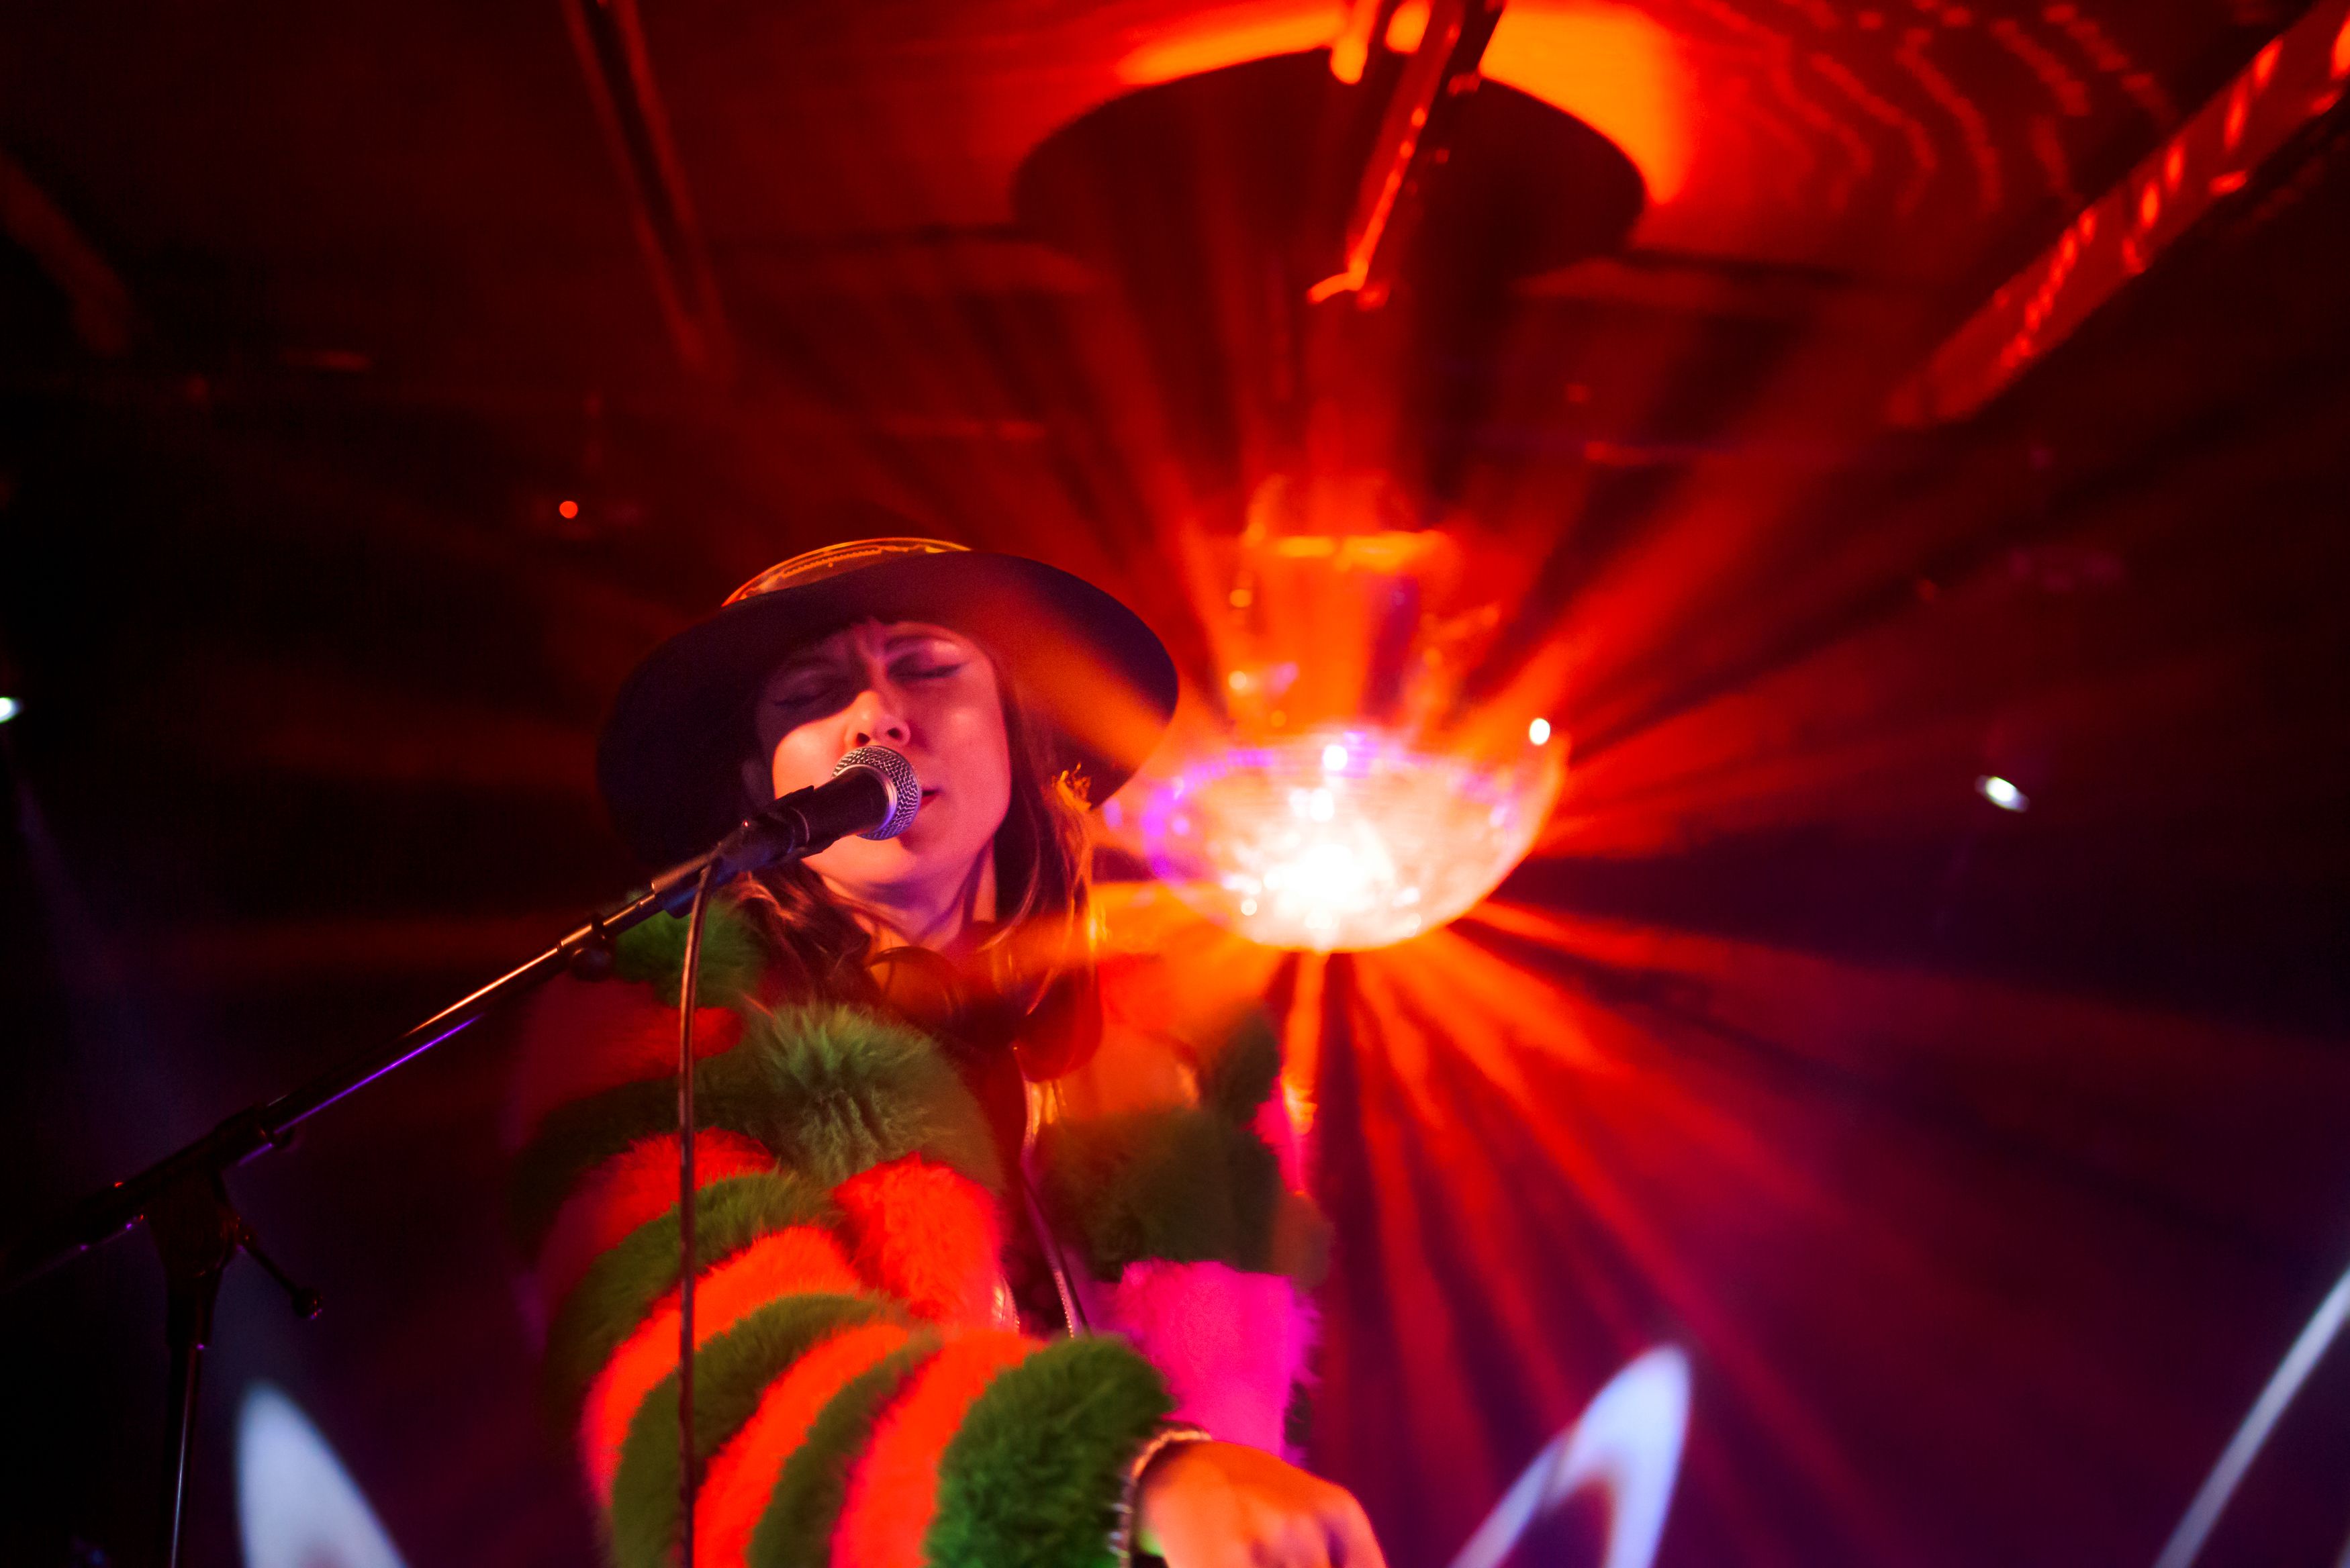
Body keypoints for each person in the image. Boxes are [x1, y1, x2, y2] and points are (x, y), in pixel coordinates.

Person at [506, 534, 1386, 1567]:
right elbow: (731, 1391)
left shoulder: (1196, 1042)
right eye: (811, 694)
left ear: (1021, 731)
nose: (877, 716)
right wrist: (1120, 1475)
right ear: (755, 785)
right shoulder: (661, 1019)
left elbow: (1261, 1430)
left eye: (926, 668)